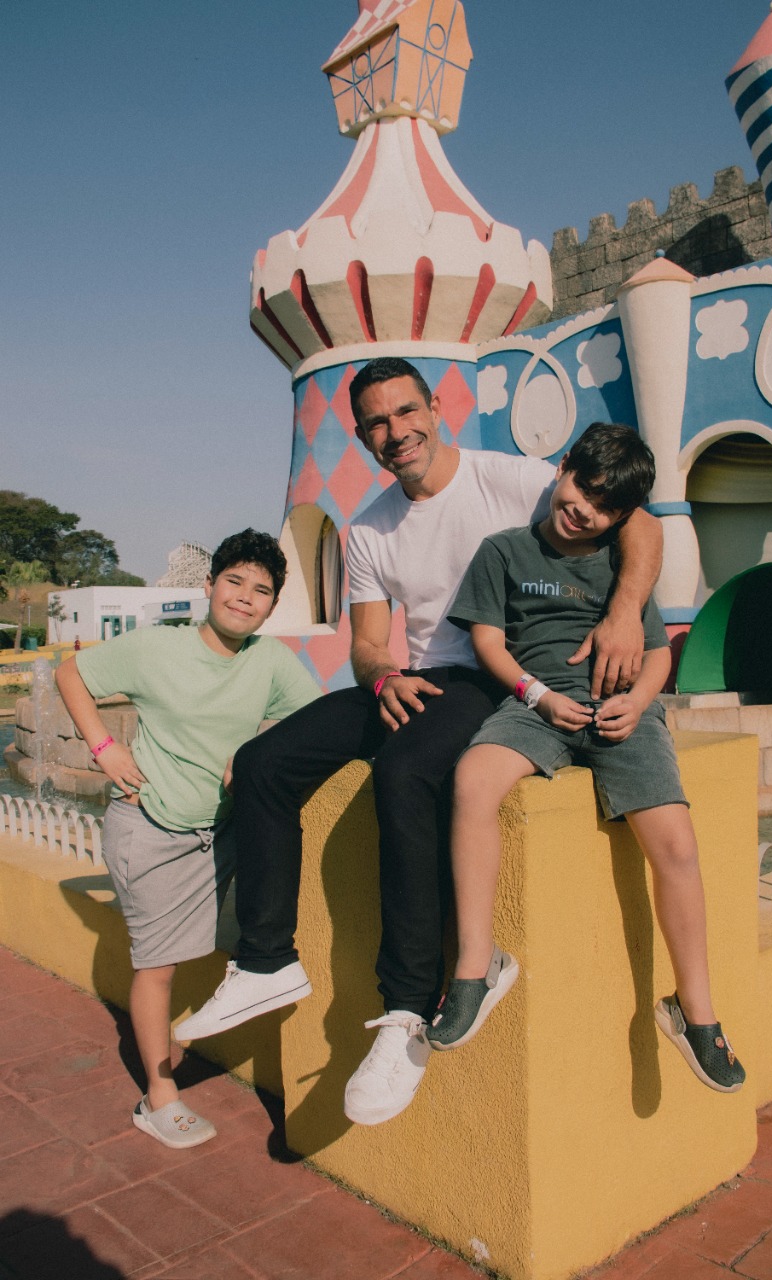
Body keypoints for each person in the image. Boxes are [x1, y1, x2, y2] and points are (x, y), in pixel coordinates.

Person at [174, 359, 663, 1125]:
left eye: (405, 412)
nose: (394, 431)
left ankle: (407, 1009)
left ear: (435, 408)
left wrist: (627, 610)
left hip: (496, 675)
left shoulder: (507, 478)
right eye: (375, 422)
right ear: (363, 435)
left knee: (404, 772)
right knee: (265, 763)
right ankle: (266, 960)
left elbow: (635, 516)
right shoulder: (369, 527)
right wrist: (380, 678)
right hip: (418, 679)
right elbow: (370, 644)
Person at [426, 423, 745, 1094]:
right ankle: (474, 968)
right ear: (562, 469)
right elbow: (487, 639)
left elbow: (658, 651)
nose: (583, 512)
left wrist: (640, 702)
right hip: (534, 705)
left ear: (621, 516)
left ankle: (697, 1015)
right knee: (473, 781)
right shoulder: (505, 550)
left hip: (622, 712)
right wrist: (535, 696)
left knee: (677, 848)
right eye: (580, 490)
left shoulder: (621, 565)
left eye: (604, 508)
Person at [55, 530, 320, 1149]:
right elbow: (71, 674)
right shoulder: (155, 649)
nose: (244, 598)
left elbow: (314, 719)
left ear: (272, 604)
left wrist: (257, 751)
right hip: (150, 829)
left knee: (231, 946)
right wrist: (103, 746)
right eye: (234, 581)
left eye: (261, 590)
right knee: (158, 966)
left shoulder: (270, 660)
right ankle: (159, 1093)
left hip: (222, 834)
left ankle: (179, 1051)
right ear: (209, 585)